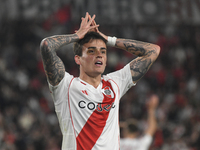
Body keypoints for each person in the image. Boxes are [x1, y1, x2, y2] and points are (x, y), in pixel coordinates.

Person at [40, 12, 160, 150]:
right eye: (91, 51)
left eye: (103, 51)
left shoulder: (115, 83)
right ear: (78, 58)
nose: (99, 55)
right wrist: (77, 36)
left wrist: (109, 40)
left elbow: (153, 51)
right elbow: (46, 45)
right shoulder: (66, 86)